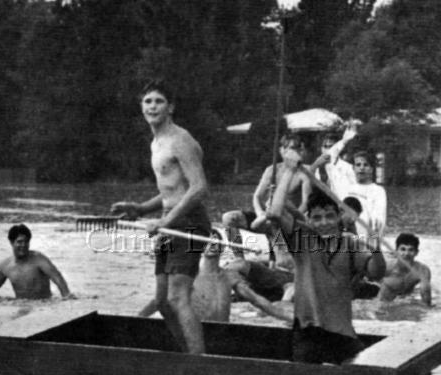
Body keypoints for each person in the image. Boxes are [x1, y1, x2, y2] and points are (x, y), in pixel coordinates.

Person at [110, 80, 210, 354]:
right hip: (170, 224)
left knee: (178, 298)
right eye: (148, 102)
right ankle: (185, 354)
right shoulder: (157, 142)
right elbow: (170, 192)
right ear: (142, 108)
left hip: (188, 224)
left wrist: (165, 222)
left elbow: (199, 188)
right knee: (163, 302)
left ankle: (199, 363)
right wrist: (141, 209)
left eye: (159, 101)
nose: (152, 106)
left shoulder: (181, 140)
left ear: (171, 108)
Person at [266, 148, 386, 365]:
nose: (325, 223)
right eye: (318, 218)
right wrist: (288, 171)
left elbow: (377, 272)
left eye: (330, 216)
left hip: (343, 334)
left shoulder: (351, 243)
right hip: (308, 331)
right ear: (309, 220)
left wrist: (376, 248)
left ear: (339, 217)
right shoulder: (302, 239)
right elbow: (274, 213)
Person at [139, 230, 292, 323]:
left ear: (222, 247)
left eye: (215, 239)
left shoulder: (230, 276)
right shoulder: (189, 275)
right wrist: (138, 319)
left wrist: (289, 318)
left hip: (221, 333)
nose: (212, 243)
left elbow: (258, 301)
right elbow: (160, 299)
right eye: (207, 240)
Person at [221, 132, 310, 270]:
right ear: (282, 150)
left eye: (296, 148)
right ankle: (239, 259)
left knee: (273, 220)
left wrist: (291, 214)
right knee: (229, 218)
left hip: (287, 219)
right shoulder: (272, 170)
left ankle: (279, 259)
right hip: (265, 216)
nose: (292, 152)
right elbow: (257, 196)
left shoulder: (303, 174)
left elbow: (305, 204)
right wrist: (260, 213)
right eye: (289, 148)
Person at [341, 150, 387, 240]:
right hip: (348, 237)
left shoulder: (378, 191)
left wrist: (372, 241)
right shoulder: (346, 189)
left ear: (371, 169)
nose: (362, 168)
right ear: (353, 168)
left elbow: (380, 221)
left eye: (365, 165)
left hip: (367, 240)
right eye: (358, 165)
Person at [378, 233, 432, 306]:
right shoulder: (387, 267)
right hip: (382, 303)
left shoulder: (422, 270)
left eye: (411, 250)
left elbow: (426, 299)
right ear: (396, 251)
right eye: (403, 249)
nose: (406, 253)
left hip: (404, 300)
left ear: (416, 252)